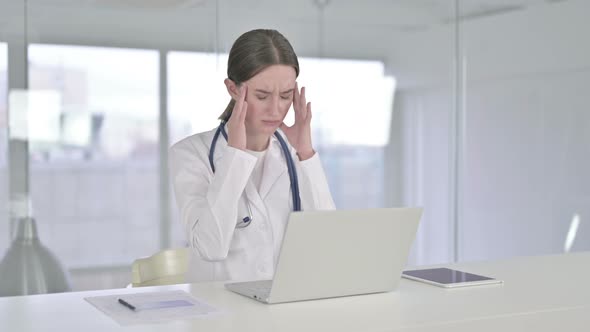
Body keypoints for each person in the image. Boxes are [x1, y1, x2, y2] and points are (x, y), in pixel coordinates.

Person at [169, 29, 335, 283]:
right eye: (262, 95)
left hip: (285, 310)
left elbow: (327, 240)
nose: (276, 109)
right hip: (221, 315)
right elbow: (210, 248)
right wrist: (235, 155)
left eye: (286, 95)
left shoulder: (296, 155)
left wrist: (305, 152)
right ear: (233, 89)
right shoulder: (191, 154)